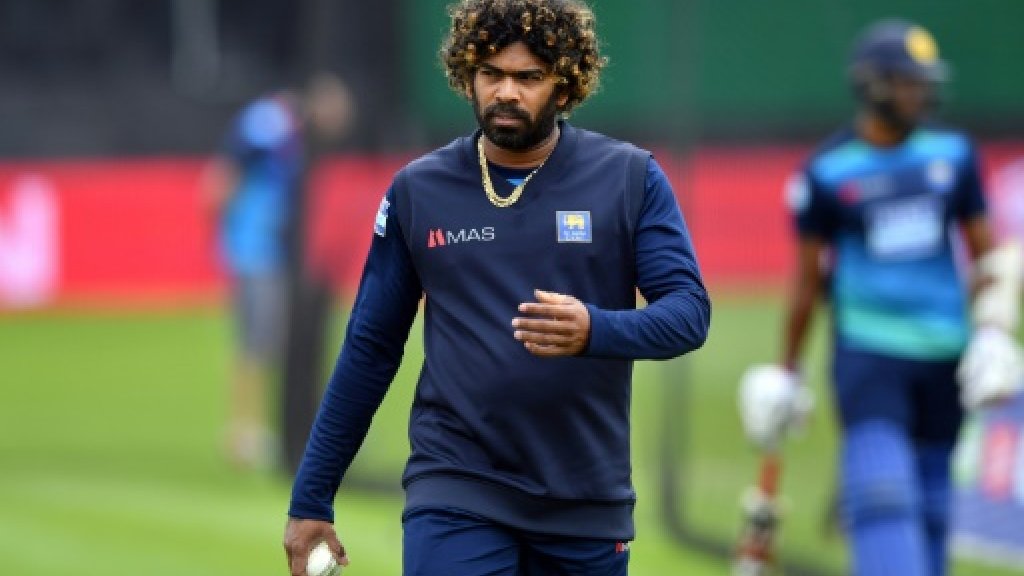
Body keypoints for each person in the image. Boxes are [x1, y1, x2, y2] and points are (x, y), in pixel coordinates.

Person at [282, 1, 711, 574]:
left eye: (528, 77)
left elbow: (688, 313)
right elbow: (370, 346)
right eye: (491, 73)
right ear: (468, 77)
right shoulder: (419, 190)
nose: (506, 92)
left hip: (585, 499)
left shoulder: (629, 179)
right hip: (456, 486)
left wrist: (596, 329)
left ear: (564, 85)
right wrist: (312, 496)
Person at [737, 19, 1023, 576]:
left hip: (946, 353)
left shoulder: (953, 155)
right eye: (909, 82)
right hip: (869, 355)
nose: (921, 94)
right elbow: (808, 281)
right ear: (873, 85)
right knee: (882, 498)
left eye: (924, 83)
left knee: (934, 504)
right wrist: (787, 370)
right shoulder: (828, 171)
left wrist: (992, 332)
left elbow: (987, 259)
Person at [203, 72, 353, 470]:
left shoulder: (295, 134)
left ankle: (290, 425)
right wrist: (227, 233)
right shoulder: (268, 123)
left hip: (281, 251)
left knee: (284, 339)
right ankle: (244, 431)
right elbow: (222, 178)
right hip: (256, 249)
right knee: (258, 341)